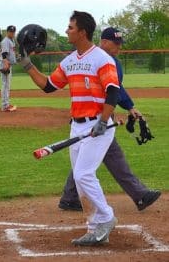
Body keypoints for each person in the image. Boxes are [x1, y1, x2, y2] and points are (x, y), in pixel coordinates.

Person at [19, 11, 120, 246]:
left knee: (84, 174)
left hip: (98, 125)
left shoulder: (102, 59)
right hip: (77, 126)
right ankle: (95, 228)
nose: (67, 31)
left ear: (82, 32)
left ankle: (106, 216)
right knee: (80, 176)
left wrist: (103, 122)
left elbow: (112, 91)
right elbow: (49, 85)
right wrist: (26, 64)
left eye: (70, 27)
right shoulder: (70, 60)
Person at [58, 27, 161, 212]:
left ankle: (71, 197)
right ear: (104, 42)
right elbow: (114, 91)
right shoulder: (103, 61)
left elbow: (116, 89)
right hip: (95, 120)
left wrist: (129, 107)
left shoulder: (104, 60)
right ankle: (139, 195)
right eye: (116, 43)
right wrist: (129, 107)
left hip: (97, 120)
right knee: (96, 160)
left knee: (92, 160)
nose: (119, 48)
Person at [0, 25, 17, 112]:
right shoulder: (6, 41)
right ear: (7, 32)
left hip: (8, 64)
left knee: (7, 85)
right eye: (10, 31)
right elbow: (4, 54)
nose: (12, 33)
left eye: (13, 32)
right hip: (5, 64)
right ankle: (4, 105)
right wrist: (6, 64)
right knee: (5, 85)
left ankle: (6, 104)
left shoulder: (12, 40)